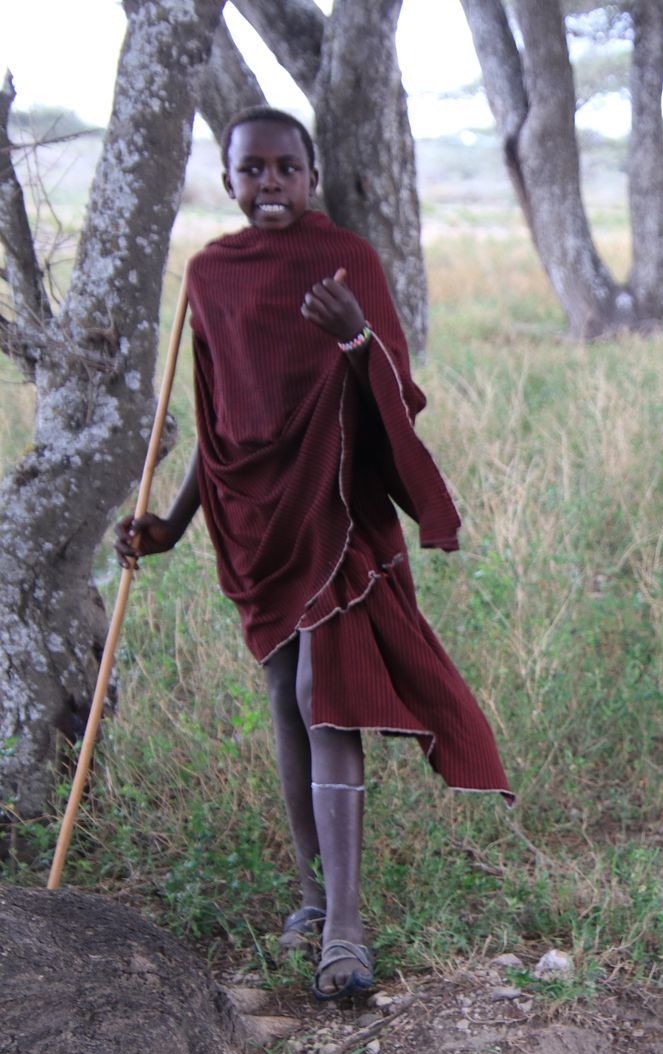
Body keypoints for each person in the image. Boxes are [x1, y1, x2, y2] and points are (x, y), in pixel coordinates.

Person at [116, 106, 511, 1003]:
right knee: (286, 699)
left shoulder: (351, 263)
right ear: (226, 180)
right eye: (251, 170)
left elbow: (394, 395)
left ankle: (345, 927)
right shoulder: (208, 275)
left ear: (313, 176)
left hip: (337, 509)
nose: (270, 185)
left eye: (287, 168)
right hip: (256, 522)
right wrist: (173, 525)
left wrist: (352, 336)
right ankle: (309, 893)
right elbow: (217, 421)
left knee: (321, 697)